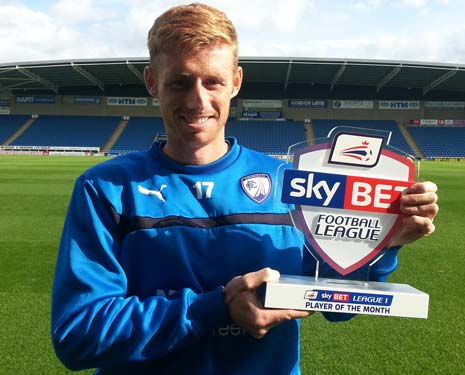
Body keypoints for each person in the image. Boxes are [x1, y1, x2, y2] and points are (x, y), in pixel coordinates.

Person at [51, 3, 439, 374]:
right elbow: (78, 334)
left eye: (213, 81)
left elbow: (338, 303)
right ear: (152, 81)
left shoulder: (291, 183)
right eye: (180, 82)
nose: (198, 100)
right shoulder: (106, 188)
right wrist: (215, 307)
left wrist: (380, 243)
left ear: (235, 81)